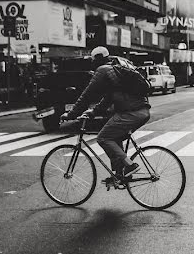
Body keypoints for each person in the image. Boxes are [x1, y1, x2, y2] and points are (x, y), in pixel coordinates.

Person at [62, 47, 152, 179]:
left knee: (103, 138)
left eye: (92, 59)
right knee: (114, 138)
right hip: (142, 111)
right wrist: (93, 112)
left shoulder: (102, 71)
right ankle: (119, 174)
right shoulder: (115, 71)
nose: (92, 62)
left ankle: (129, 165)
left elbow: (86, 95)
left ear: (97, 59)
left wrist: (70, 114)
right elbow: (109, 98)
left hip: (131, 113)